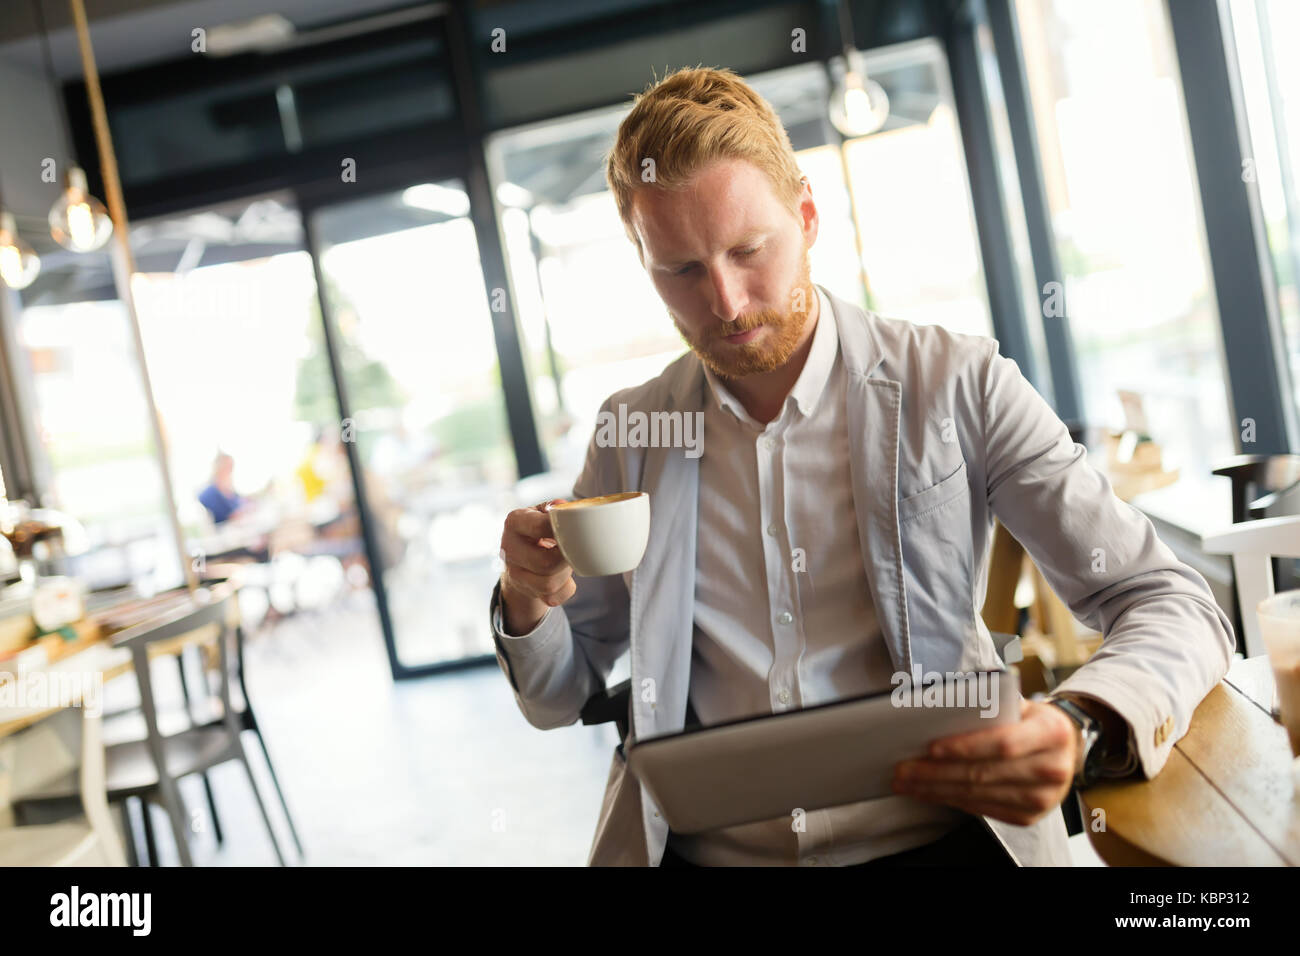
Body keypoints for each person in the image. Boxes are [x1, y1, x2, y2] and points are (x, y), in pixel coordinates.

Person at [490, 67, 1233, 867]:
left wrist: (1078, 723)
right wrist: (528, 601)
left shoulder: (958, 383)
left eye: (748, 249)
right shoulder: (632, 430)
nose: (729, 303)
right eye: (682, 271)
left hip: (946, 842)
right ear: (645, 265)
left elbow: (1169, 599)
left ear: (806, 215)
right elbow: (559, 695)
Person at [198, 451, 253, 526]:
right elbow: (231, 515)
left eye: (231, 468)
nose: (230, 472)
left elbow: (242, 502)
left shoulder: (229, 490)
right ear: (219, 468)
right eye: (228, 467)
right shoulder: (209, 493)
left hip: (240, 527)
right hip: (227, 532)